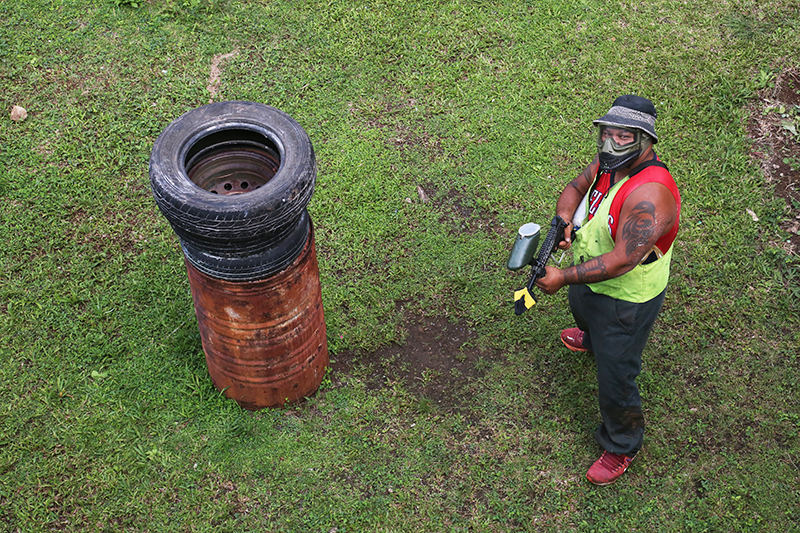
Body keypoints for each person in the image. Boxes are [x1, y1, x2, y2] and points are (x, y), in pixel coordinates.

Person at [535, 95, 681, 486]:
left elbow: (621, 261)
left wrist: (563, 277)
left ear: (645, 141)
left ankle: (622, 444)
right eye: (607, 133)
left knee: (616, 378)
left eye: (623, 136)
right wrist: (563, 220)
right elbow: (575, 187)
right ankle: (591, 338)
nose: (611, 143)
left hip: (626, 299)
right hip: (590, 280)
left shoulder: (651, 195)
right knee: (583, 311)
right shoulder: (609, 161)